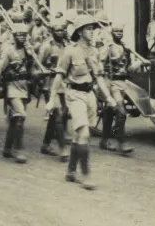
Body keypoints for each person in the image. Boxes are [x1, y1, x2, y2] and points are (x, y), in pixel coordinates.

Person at [49, 15, 115, 190]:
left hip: (89, 95)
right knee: (84, 134)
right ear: (79, 31)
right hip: (74, 94)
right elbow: (59, 76)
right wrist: (51, 99)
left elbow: (99, 77)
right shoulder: (70, 51)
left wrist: (108, 97)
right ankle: (86, 175)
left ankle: (71, 171)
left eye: (93, 29)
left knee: (80, 136)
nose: (92, 32)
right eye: (88, 29)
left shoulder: (93, 51)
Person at [0, 23, 46, 164]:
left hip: (24, 88)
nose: (22, 37)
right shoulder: (8, 51)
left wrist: (36, 69)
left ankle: (7, 148)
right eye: (19, 35)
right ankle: (19, 150)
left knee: (16, 120)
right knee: (20, 116)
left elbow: (32, 69)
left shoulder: (29, 51)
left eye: (24, 35)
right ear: (14, 36)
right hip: (12, 87)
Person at [97, 22, 146, 155]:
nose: (119, 33)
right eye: (116, 31)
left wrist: (138, 64)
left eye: (121, 31)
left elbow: (128, 69)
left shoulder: (125, 48)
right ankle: (121, 143)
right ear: (112, 32)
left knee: (109, 112)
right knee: (121, 113)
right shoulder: (108, 47)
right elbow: (99, 66)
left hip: (123, 83)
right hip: (111, 83)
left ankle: (104, 140)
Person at [39, 18, 70, 161]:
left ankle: (45, 144)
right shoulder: (46, 46)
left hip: (64, 84)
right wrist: (46, 71)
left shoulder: (67, 46)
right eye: (57, 30)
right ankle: (62, 148)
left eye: (62, 30)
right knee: (57, 114)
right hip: (49, 84)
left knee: (62, 115)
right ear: (52, 31)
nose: (61, 32)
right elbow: (37, 66)